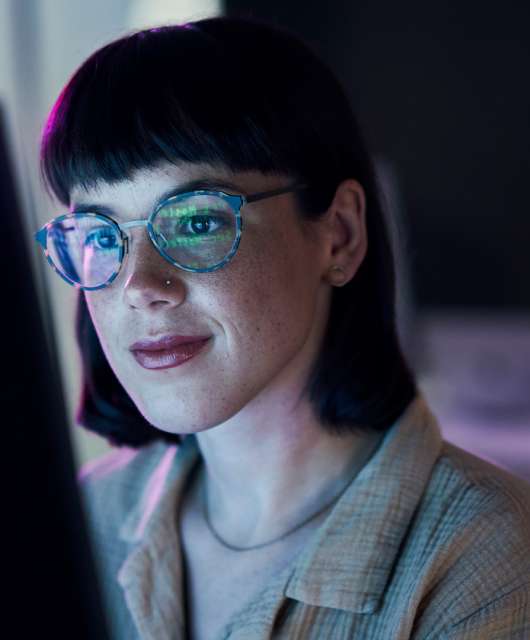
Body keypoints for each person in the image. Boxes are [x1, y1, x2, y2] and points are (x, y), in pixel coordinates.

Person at [35, 15, 530, 640]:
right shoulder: (84, 522)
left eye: (196, 221)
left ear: (339, 235)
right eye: (101, 235)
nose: (138, 286)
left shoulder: (489, 562)